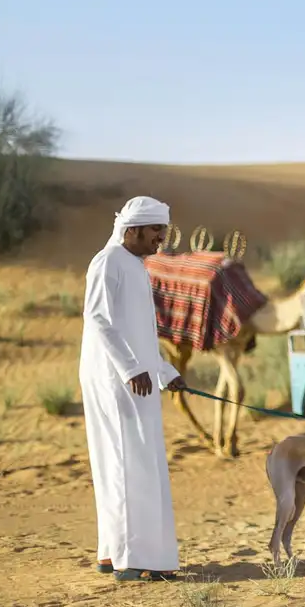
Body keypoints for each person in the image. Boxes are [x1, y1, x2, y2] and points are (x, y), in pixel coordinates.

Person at [79, 195, 186, 582]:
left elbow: (140, 332)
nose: (162, 238)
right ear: (133, 230)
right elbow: (98, 320)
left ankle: (114, 552)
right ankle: (132, 560)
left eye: (163, 229)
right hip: (114, 380)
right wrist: (129, 368)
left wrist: (162, 370)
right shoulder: (108, 262)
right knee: (126, 463)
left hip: (135, 377)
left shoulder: (135, 265)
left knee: (135, 461)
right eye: (156, 230)